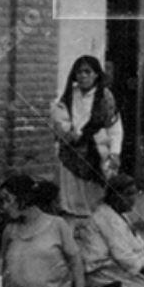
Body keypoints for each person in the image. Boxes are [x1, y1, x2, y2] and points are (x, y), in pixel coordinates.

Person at [50, 56, 122, 218]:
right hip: (71, 153)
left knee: (94, 203)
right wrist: (68, 132)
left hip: (95, 152)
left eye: (87, 72)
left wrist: (115, 152)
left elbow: (114, 126)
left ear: (96, 74)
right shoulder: (69, 95)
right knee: (69, 201)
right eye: (79, 72)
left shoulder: (105, 97)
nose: (82, 76)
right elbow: (60, 120)